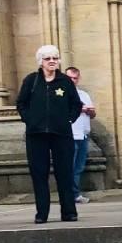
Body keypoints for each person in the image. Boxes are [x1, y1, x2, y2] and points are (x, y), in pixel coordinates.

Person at [16, 45, 83, 224]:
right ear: (41, 62)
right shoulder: (31, 81)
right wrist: (29, 120)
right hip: (36, 134)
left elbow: (76, 104)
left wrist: (68, 120)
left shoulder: (65, 81)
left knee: (65, 173)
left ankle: (69, 211)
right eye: (48, 58)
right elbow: (21, 103)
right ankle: (42, 213)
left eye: (55, 58)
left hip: (61, 134)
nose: (52, 61)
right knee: (39, 173)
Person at [66, 67, 96, 203]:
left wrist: (89, 111)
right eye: (70, 78)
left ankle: (75, 193)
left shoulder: (84, 95)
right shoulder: (62, 93)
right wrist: (80, 108)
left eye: (75, 78)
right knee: (69, 166)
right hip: (70, 134)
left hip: (83, 134)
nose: (73, 81)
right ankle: (71, 194)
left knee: (78, 167)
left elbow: (93, 115)